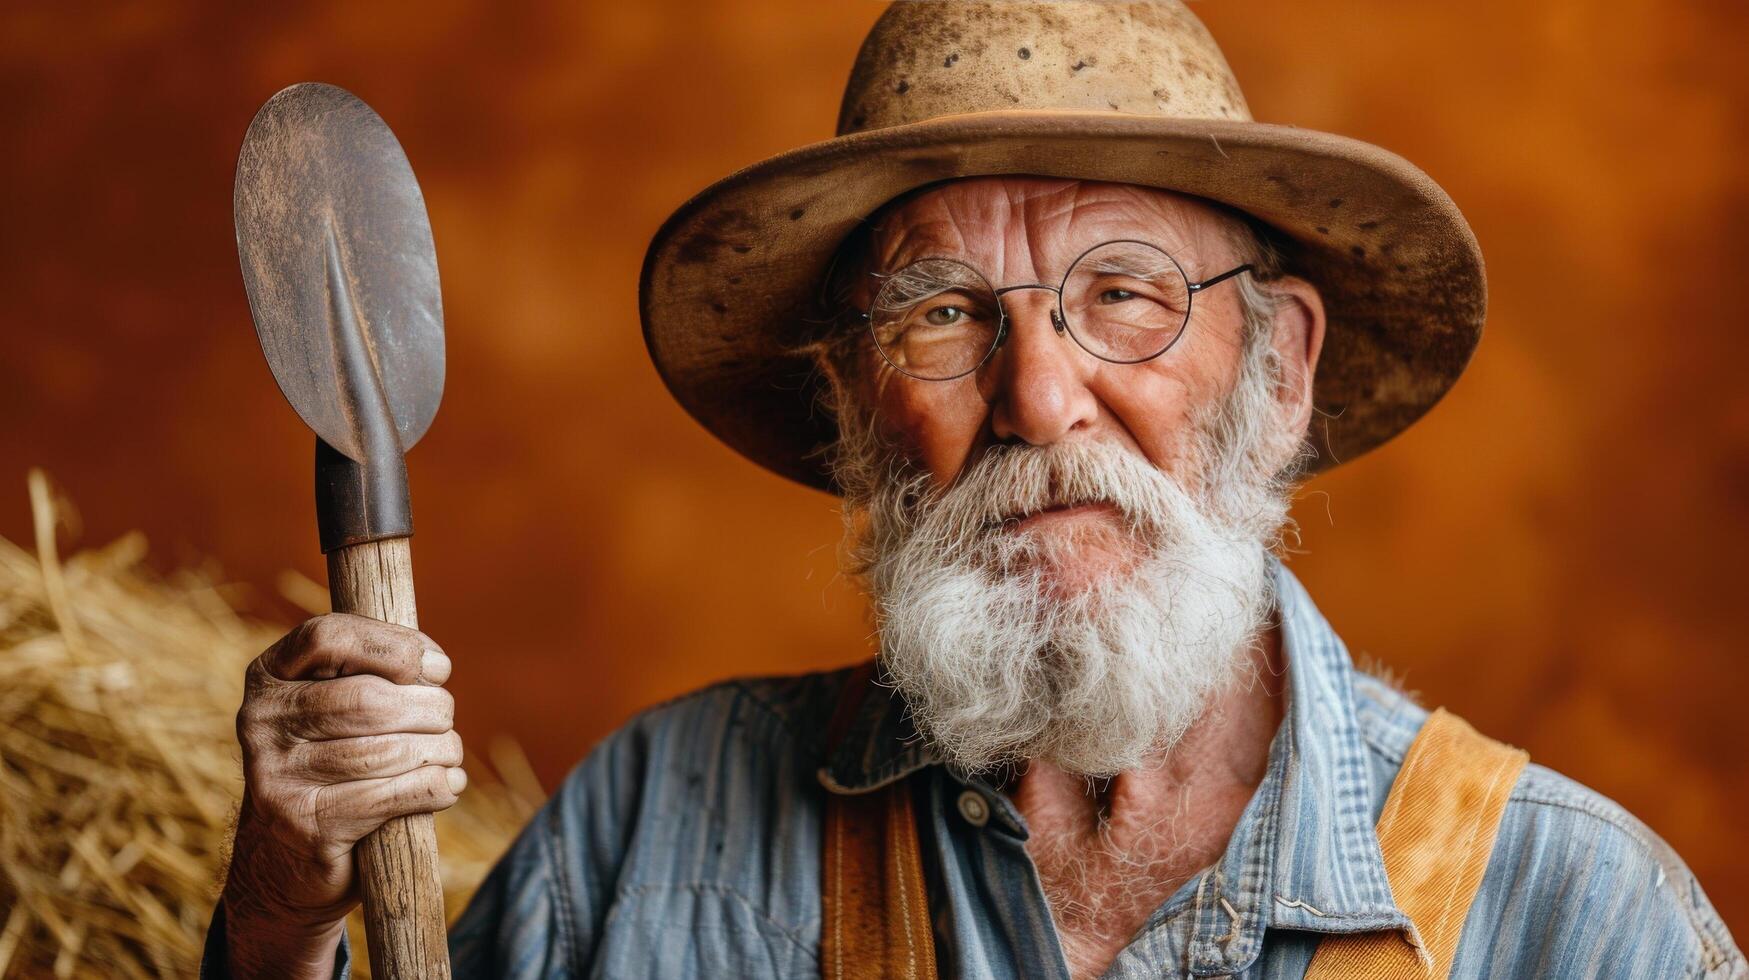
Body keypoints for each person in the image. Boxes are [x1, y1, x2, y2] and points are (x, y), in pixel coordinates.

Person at [205, 2, 1745, 978]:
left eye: (1125, 293)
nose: (1035, 399)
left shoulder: (1567, 918)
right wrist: (286, 917)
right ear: (853, 405)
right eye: (941, 314)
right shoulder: (647, 833)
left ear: (1276, 369)